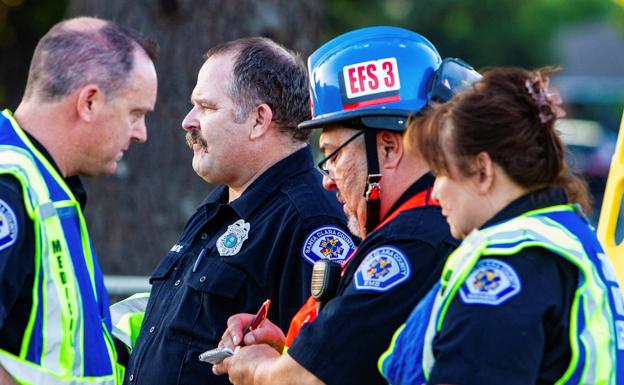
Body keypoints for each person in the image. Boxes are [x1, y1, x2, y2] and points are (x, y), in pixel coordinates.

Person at [213, 26, 478, 385]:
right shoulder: (422, 229)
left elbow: (308, 380)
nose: (327, 178)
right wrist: (283, 349)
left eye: (333, 155)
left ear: (388, 147)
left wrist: (257, 368)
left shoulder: (411, 244)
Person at [119, 37, 355, 385]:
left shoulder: (312, 220)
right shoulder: (218, 207)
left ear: (259, 120)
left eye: (207, 107)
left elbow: (321, 365)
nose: (188, 121)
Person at [379, 67, 624, 385]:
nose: (436, 191)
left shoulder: (510, 264)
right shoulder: (567, 236)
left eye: (441, 172)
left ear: (482, 170)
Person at [0, 17, 158, 385]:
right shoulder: (11, 187)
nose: (141, 134)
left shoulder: (46, 182)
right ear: (89, 102)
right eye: (135, 114)